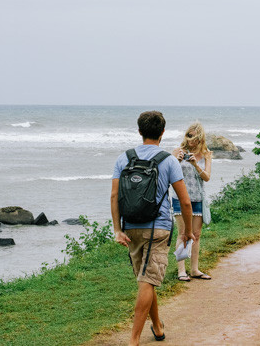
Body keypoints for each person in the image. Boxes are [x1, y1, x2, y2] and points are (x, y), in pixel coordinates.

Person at [111, 111, 194, 345]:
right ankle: (134, 340)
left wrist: (117, 229)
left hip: (131, 229)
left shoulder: (123, 158)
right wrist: (187, 231)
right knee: (147, 280)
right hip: (158, 230)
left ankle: (157, 326)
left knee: (147, 277)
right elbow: (185, 201)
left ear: (139, 131)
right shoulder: (168, 160)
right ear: (163, 132)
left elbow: (115, 195)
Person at [170, 122, 213, 281]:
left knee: (196, 235)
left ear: (200, 138)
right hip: (180, 198)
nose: (190, 141)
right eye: (188, 136)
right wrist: (176, 160)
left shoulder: (206, 154)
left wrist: (196, 165)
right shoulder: (177, 152)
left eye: (193, 137)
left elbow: (207, 177)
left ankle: (194, 269)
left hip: (197, 199)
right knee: (182, 234)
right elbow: (168, 173)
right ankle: (181, 270)